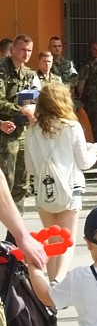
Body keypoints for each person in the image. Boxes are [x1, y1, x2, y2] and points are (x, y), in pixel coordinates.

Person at [24, 82, 97, 284]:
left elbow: (30, 168)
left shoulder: (31, 130)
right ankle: (59, 280)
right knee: (67, 239)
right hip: (70, 188)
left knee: (50, 241)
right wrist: (93, 150)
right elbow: (84, 163)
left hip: (43, 191)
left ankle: (48, 283)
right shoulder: (72, 127)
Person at [0, 33, 41, 210]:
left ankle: (14, 234)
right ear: (13, 49)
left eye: (29, 50)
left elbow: (34, 96)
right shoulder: (2, 69)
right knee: (5, 182)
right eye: (23, 50)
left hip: (23, 131)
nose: (26, 54)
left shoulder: (28, 73)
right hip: (4, 132)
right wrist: (21, 110)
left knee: (22, 183)